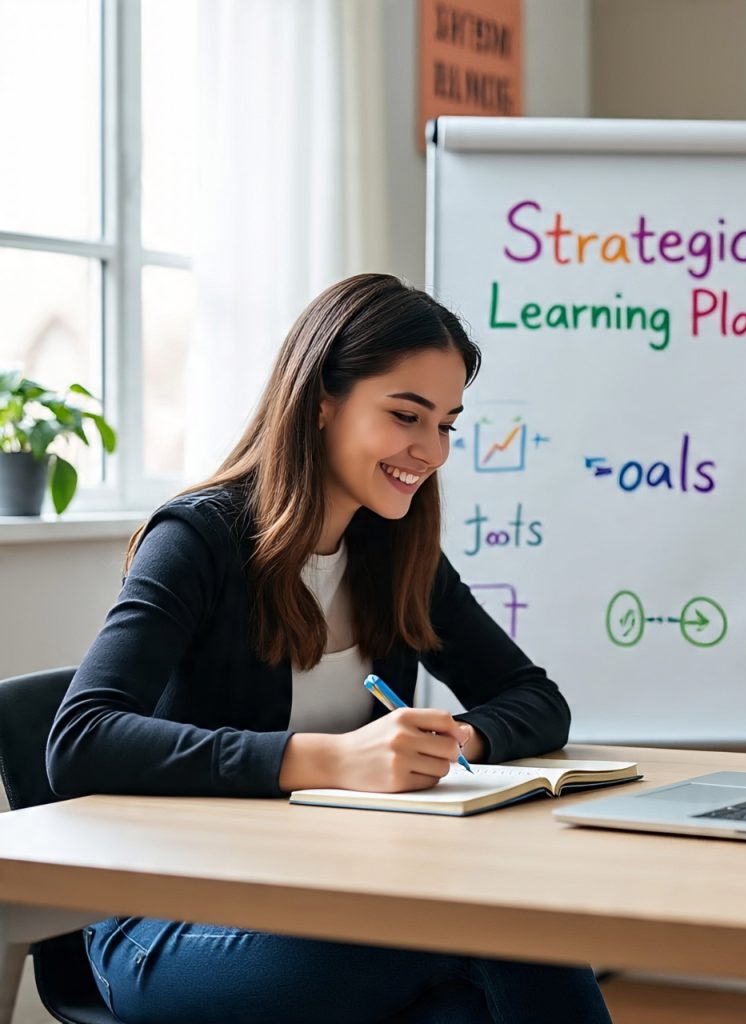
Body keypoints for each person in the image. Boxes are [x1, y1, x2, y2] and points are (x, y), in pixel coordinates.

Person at [46, 273, 613, 1024]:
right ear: (321, 401)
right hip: (167, 919)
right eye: (407, 415)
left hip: (328, 897)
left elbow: (537, 699)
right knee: (500, 927)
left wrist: (459, 739)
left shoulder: (395, 553)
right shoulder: (198, 540)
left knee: (464, 1009)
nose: (431, 450)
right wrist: (328, 761)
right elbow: (80, 739)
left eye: (446, 424)